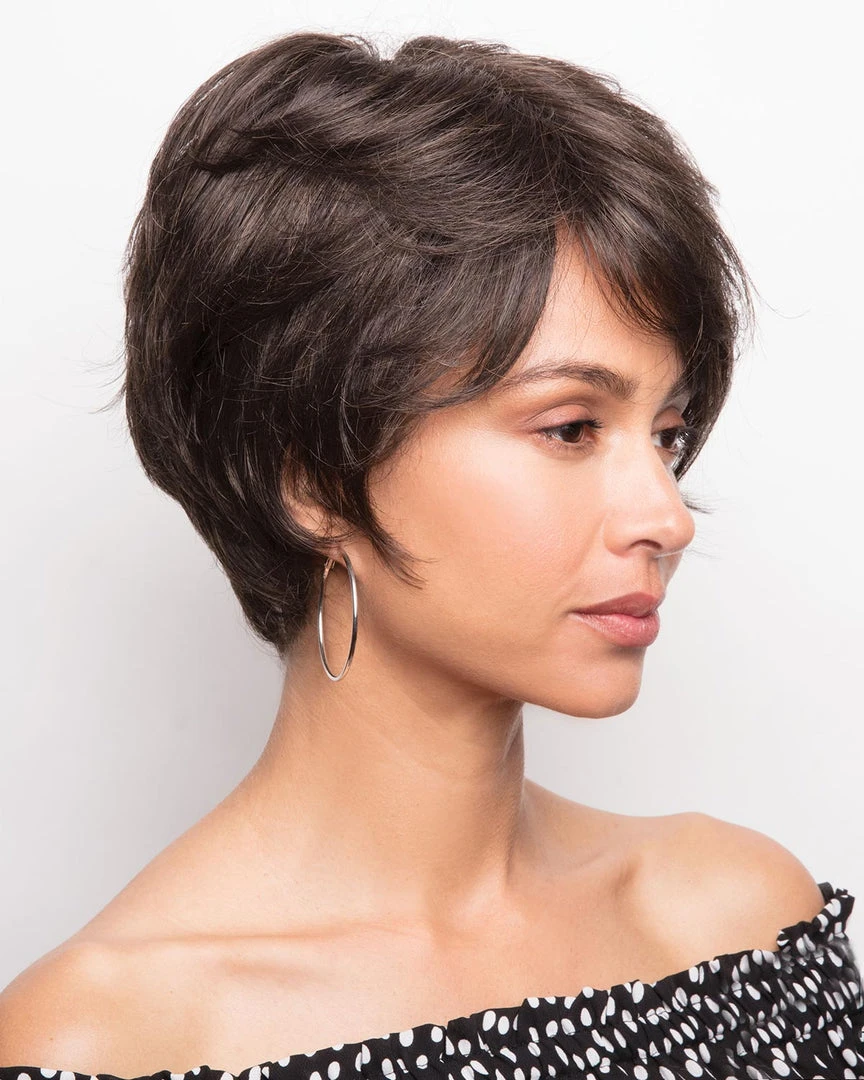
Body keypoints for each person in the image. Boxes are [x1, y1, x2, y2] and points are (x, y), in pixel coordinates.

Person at [1, 29, 861, 1080]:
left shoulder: (738, 925)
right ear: (313, 481)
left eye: (667, 435)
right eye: (571, 428)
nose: (667, 517)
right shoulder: (112, 1041)